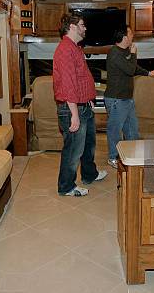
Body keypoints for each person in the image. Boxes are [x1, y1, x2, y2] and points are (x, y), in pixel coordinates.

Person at [52, 13, 107, 196]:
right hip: (72, 109)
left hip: (84, 106)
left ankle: (89, 174)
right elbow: (68, 84)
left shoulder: (75, 48)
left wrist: (88, 99)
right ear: (73, 26)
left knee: (88, 145)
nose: (85, 28)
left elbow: (80, 79)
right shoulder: (65, 50)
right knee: (73, 151)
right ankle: (66, 187)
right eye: (82, 25)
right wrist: (74, 113)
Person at [104, 26, 154, 168]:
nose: (133, 35)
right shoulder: (114, 53)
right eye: (131, 33)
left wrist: (147, 73)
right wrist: (134, 54)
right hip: (117, 99)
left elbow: (133, 68)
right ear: (124, 37)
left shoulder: (124, 51)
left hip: (126, 98)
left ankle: (131, 156)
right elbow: (130, 69)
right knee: (115, 130)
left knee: (132, 130)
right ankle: (113, 157)